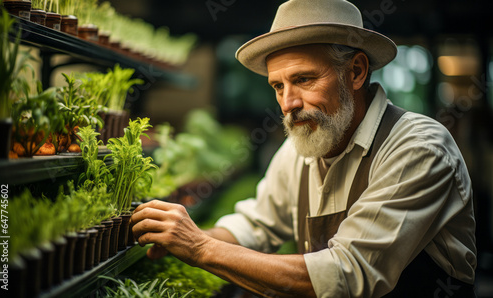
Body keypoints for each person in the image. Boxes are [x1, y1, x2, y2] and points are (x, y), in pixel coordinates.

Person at [131, 0, 477, 296]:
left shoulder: (417, 148)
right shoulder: (302, 149)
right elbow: (257, 226)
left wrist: (200, 247)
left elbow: (347, 275)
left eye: (304, 79)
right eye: (278, 86)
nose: (288, 103)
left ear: (356, 72)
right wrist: (180, 235)